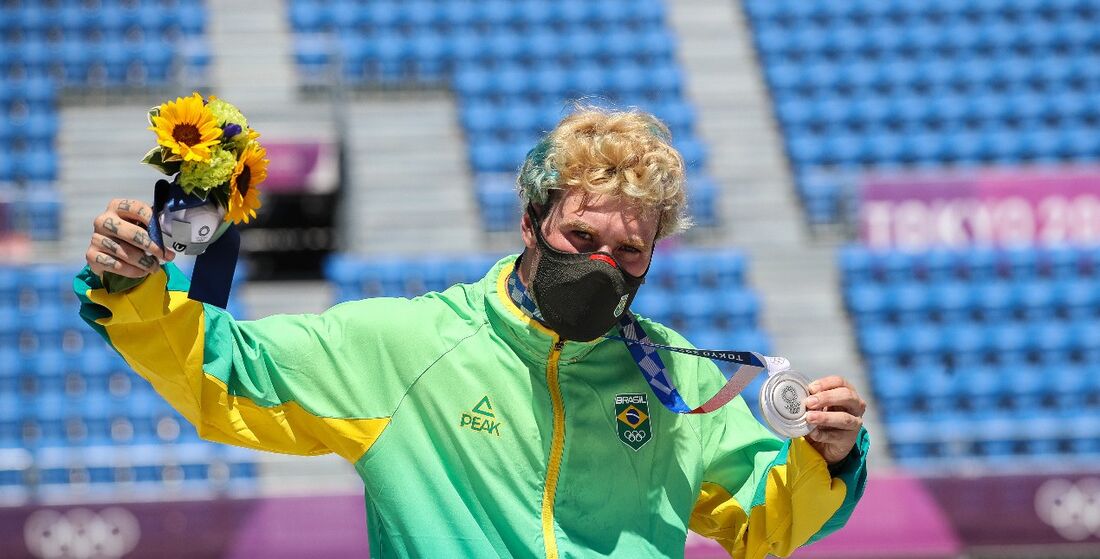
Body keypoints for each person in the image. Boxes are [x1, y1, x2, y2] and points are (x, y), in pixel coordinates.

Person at [76, 108, 869, 558]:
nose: (605, 265)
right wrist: (137, 288)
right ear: (530, 220)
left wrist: (824, 457)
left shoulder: (674, 377)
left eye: (631, 251)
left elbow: (763, 522)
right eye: (584, 239)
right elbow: (227, 375)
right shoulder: (409, 345)